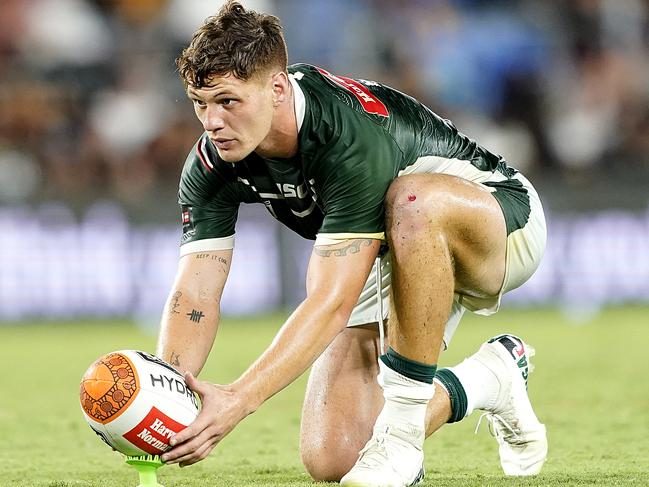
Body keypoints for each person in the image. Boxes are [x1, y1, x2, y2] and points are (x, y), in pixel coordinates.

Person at [155, 2, 548, 485]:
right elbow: (194, 294)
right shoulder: (213, 162)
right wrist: (164, 398)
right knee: (336, 458)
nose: (211, 122)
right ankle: (490, 377)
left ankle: (402, 437)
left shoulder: (344, 135)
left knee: (412, 200)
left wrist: (238, 398)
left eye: (227, 101)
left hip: (499, 222)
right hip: (388, 245)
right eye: (200, 103)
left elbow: (331, 301)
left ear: (277, 88)